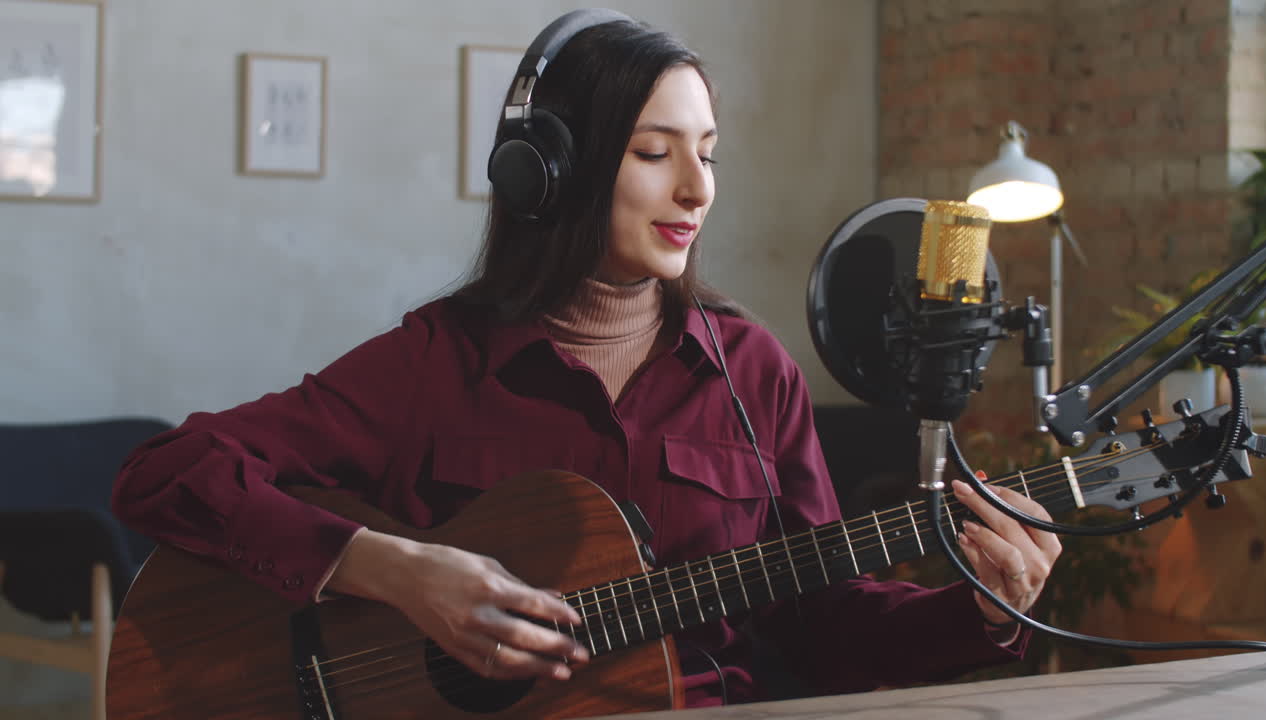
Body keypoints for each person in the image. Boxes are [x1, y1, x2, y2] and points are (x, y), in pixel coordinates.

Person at [112, 9, 1062, 708]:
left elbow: (822, 626)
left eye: (710, 153)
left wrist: (984, 611)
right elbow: (164, 475)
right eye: (656, 152)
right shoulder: (436, 361)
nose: (696, 189)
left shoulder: (751, 370)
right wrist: (397, 572)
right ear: (548, 175)